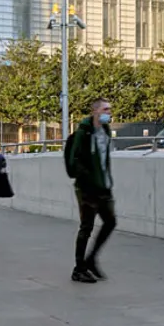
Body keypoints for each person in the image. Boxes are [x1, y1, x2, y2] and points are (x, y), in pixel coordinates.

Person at [65, 97, 117, 283]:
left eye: (110, 109)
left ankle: (91, 259)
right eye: (105, 109)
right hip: (87, 188)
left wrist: (106, 181)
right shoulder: (83, 132)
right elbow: (74, 160)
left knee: (110, 222)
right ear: (95, 111)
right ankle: (78, 269)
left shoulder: (105, 131)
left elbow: (103, 160)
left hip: (103, 186)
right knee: (86, 227)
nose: (109, 113)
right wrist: (87, 180)